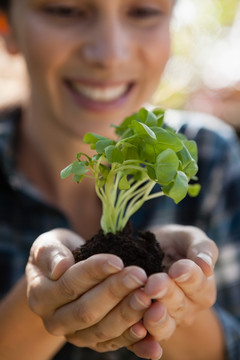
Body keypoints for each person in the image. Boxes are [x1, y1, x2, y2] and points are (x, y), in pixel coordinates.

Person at [0, 1, 239, 359]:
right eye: (65, 10)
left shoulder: (212, 157)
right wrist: (41, 300)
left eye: (143, 11)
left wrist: (179, 302)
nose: (109, 54)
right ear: (7, 27)